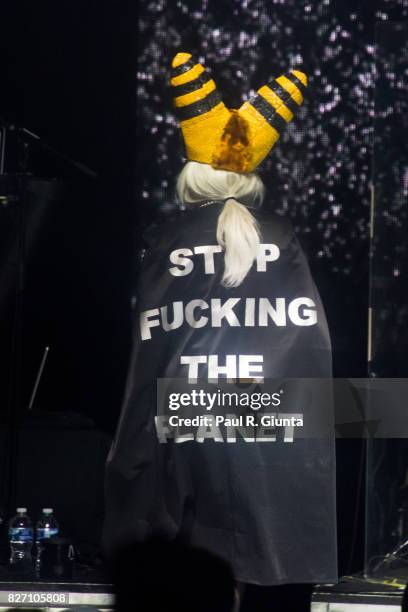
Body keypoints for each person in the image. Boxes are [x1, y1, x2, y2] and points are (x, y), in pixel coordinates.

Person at [102, 51, 337, 599]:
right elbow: (308, 343)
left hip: (183, 422)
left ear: (192, 176)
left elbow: (151, 350)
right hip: (267, 425)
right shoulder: (281, 236)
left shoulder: (169, 241)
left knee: (187, 578)